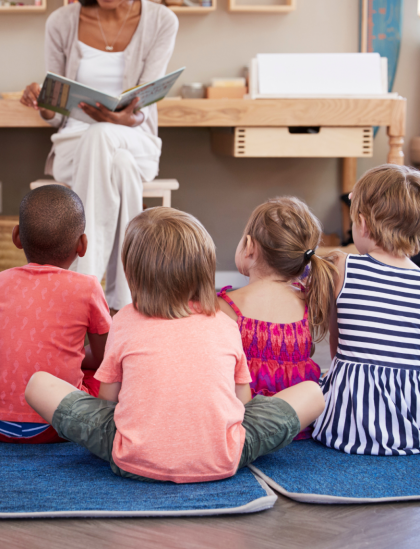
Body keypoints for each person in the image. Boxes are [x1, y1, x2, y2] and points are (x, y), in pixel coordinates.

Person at [25, 207, 325, 483]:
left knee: (38, 383)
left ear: (132, 274)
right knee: (313, 392)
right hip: (224, 458)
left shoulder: (125, 320)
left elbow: (107, 403)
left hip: (131, 458)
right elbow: (243, 406)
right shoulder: (224, 321)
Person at [20, 0, 178, 312]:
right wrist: (43, 101)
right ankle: (127, 300)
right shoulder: (61, 22)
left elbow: (143, 105)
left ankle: (81, 291)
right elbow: (56, 113)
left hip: (136, 139)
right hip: (74, 145)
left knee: (103, 135)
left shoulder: (162, 20)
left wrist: (121, 120)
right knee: (116, 162)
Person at [0, 185, 112, 443]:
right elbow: (105, 359)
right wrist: (70, 358)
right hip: (59, 424)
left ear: (17, 237)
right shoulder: (88, 288)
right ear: (82, 244)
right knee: (102, 378)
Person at [313, 164, 420, 455]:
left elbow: (337, 347)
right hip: (412, 428)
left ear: (362, 223)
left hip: (348, 425)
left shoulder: (343, 267)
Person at [218, 197, 337, 439]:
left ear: (249, 246)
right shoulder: (308, 300)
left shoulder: (225, 305)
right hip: (296, 417)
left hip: (244, 416)